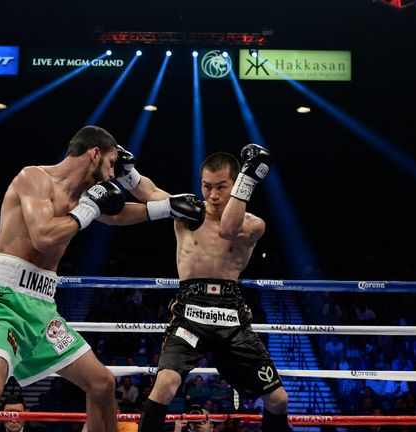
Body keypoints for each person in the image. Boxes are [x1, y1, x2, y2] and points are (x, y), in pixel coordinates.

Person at [0, 125, 205, 432]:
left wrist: (167, 207)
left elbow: (117, 213)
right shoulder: (33, 178)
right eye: (111, 164)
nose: (113, 176)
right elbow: (44, 236)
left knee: (101, 384)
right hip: (5, 299)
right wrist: (88, 208)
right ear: (94, 154)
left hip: (43, 308)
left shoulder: (82, 196)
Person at [117, 144, 291, 431]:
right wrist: (127, 173)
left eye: (221, 187)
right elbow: (149, 192)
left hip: (232, 316)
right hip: (190, 311)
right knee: (165, 384)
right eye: (207, 186)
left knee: (278, 400)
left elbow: (228, 230)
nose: (212, 195)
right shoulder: (187, 211)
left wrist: (248, 179)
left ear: (236, 184)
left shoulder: (255, 224)